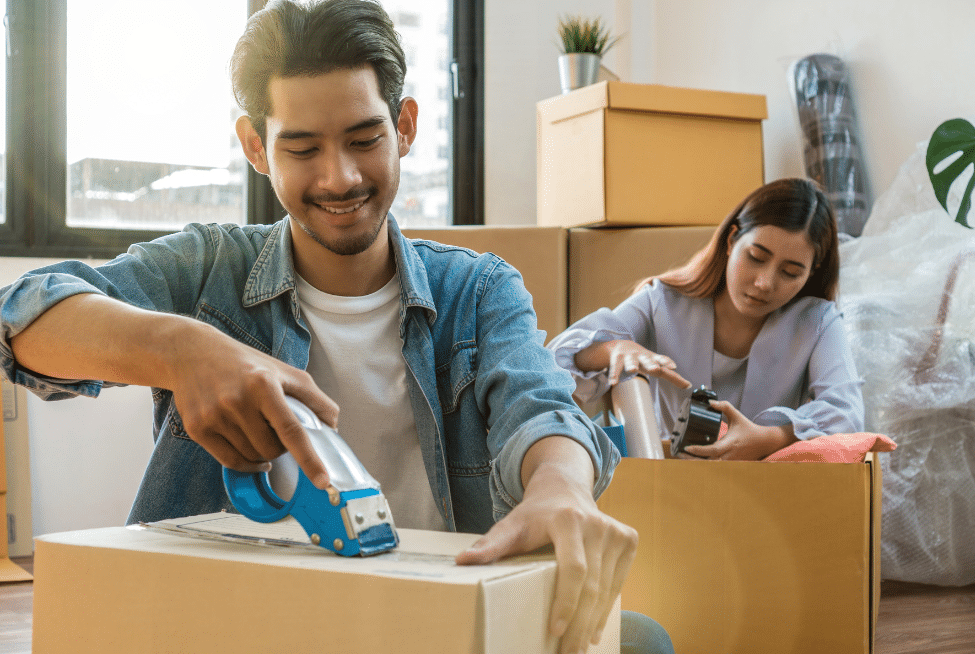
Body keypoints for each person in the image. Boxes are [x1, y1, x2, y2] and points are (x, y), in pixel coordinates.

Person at [0, 1, 674, 652]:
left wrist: (560, 487)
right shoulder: (208, 271)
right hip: (239, 619)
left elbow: (540, 407)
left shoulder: (478, 288)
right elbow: (24, 314)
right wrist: (180, 349)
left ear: (405, 126)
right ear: (256, 147)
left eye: (364, 139)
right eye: (302, 148)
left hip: (428, 615)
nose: (340, 177)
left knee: (640, 640)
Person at [548, 178, 864, 461]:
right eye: (756, 257)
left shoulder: (818, 321)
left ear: (811, 273)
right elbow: (553, 366)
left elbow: (846, 412)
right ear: (731, 242)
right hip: (666, 486)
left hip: (765, 492)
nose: (765, 282)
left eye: (791, 272)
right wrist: (613, 349)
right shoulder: (663, 301)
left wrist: (769, 438)